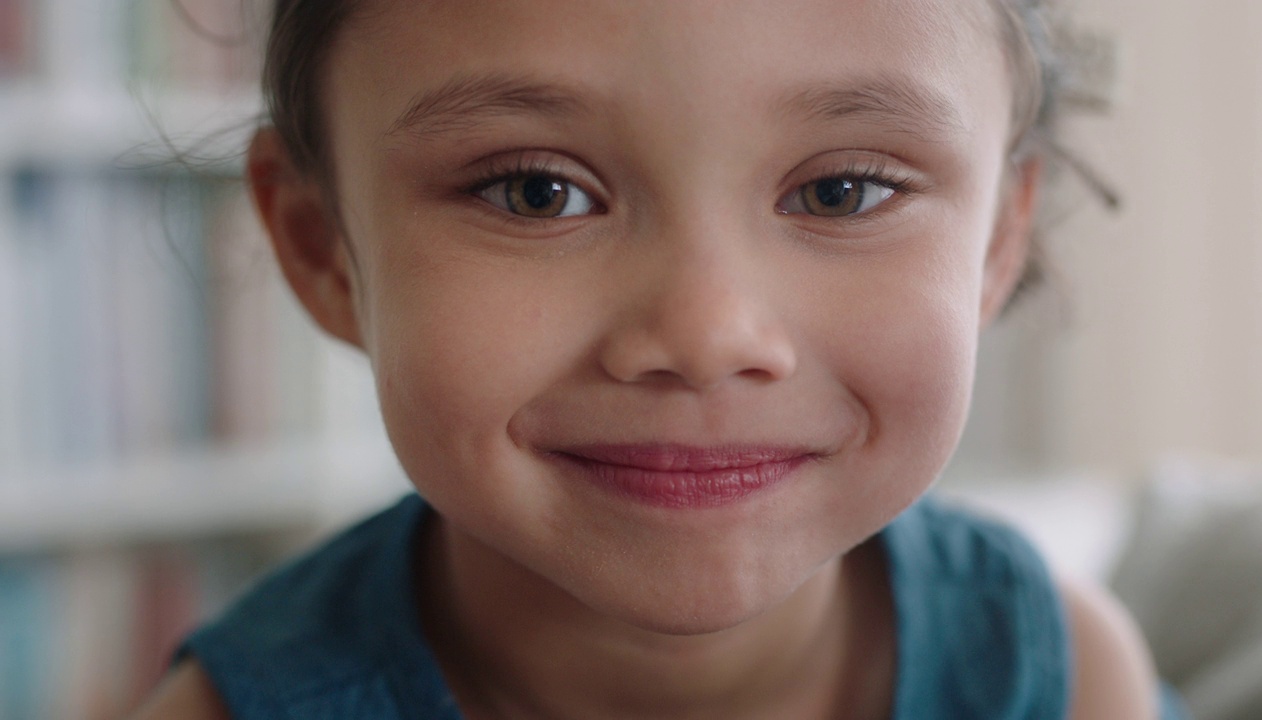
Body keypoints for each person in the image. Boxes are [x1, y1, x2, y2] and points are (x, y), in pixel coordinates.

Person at [131, 0, 1189, 717]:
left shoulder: (1057, 678)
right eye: (533, 191)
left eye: (841, 190)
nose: (703, 334)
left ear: (996, 242)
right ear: (322, 252)